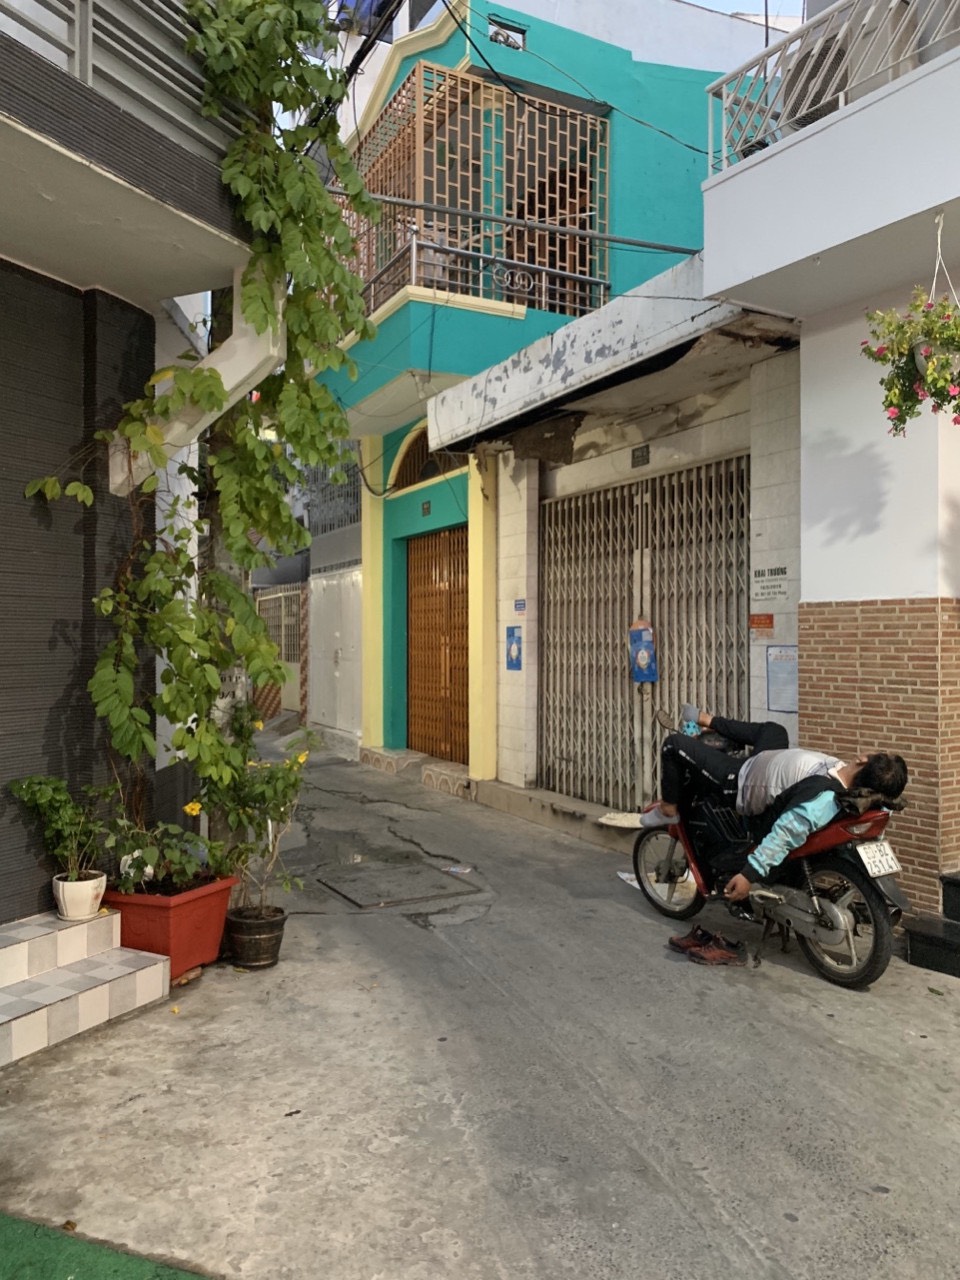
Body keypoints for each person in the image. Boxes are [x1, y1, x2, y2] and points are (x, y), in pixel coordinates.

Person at [642, 703, 908, 902]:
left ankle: (668, 808)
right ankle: (707, 719)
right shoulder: (856, 785)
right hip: (767, 763)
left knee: (673, 744)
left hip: (741, 780)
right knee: (774, 730)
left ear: (862, 760)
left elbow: (785, 833)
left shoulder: (821, 797)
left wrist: (748, 875)